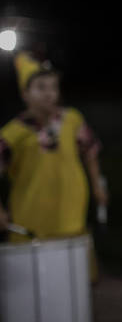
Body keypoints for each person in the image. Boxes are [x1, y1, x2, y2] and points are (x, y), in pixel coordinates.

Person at [0, 52, 108, 244]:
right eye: (41, 87)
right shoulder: (12, 132)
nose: (49, 93)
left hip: (72, 218)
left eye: (53, 87)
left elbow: (91, 151)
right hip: (30, 224)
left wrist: (97, 186)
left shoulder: (72, 119)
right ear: (25, 93)